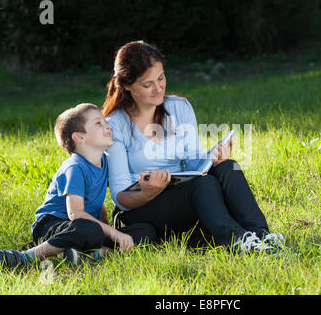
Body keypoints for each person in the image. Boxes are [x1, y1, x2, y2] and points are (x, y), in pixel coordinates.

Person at [103, 41, 285, 254]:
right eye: (147, 84)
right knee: (204, 185)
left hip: (183, 195)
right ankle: (237, 242)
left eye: (161, 78)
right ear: (126, 85)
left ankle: (262, 235)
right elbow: (120, 198)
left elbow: (194, 163)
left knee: (228, 168)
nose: (158, 88)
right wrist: (146, 193)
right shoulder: (114, 125)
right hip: (141, 207)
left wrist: (214, 157)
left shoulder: (178, 108)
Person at [0, 103, 157, 270]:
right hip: (53, 225)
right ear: (79, 137)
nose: (108, 126)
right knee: (91, 230)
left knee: (146, 230)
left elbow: (98, 204)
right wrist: (112, 233)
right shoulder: (75, 167)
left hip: (84, 226)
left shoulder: (105, 162)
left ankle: (90, 253)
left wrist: (111, 230)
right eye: (99, 123)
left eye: (105, 122)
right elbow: (75, 214)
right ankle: (27, 256)